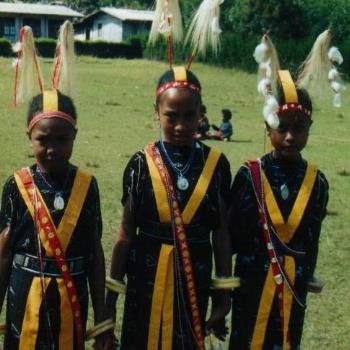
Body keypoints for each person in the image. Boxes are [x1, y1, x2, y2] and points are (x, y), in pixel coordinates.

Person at [105, 66, 234, 349]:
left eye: (190, 115)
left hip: (194, 278)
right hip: (145, 281)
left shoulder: (217, 167)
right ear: (157, 111)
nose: (180, 125)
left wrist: (223, 294)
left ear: (201, 113)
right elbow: (125, 235)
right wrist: (110, 301)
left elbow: (222, 233)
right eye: (171, 116)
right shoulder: (140, 164)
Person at [0, 24, 111, 350]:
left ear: (74, 137)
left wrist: (102, 316)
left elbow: (94, 253)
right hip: (25, 292)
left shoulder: (86, 185)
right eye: (43, 140)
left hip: (72, 294)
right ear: (29, 139)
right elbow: (4, 252)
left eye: (61, 140)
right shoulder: (17, 185)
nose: (52, 148)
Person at [228, 35, 331, 348]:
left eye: (298, 128)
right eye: (281, 127)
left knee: (287, 338)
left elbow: (311, 236)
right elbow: (232, 235)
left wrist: (308, 274)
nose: (289, 136)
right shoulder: (249, 176)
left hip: (293, 286)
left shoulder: (317, 182)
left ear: (309, 129)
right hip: (250, 284)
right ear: (267, 127)